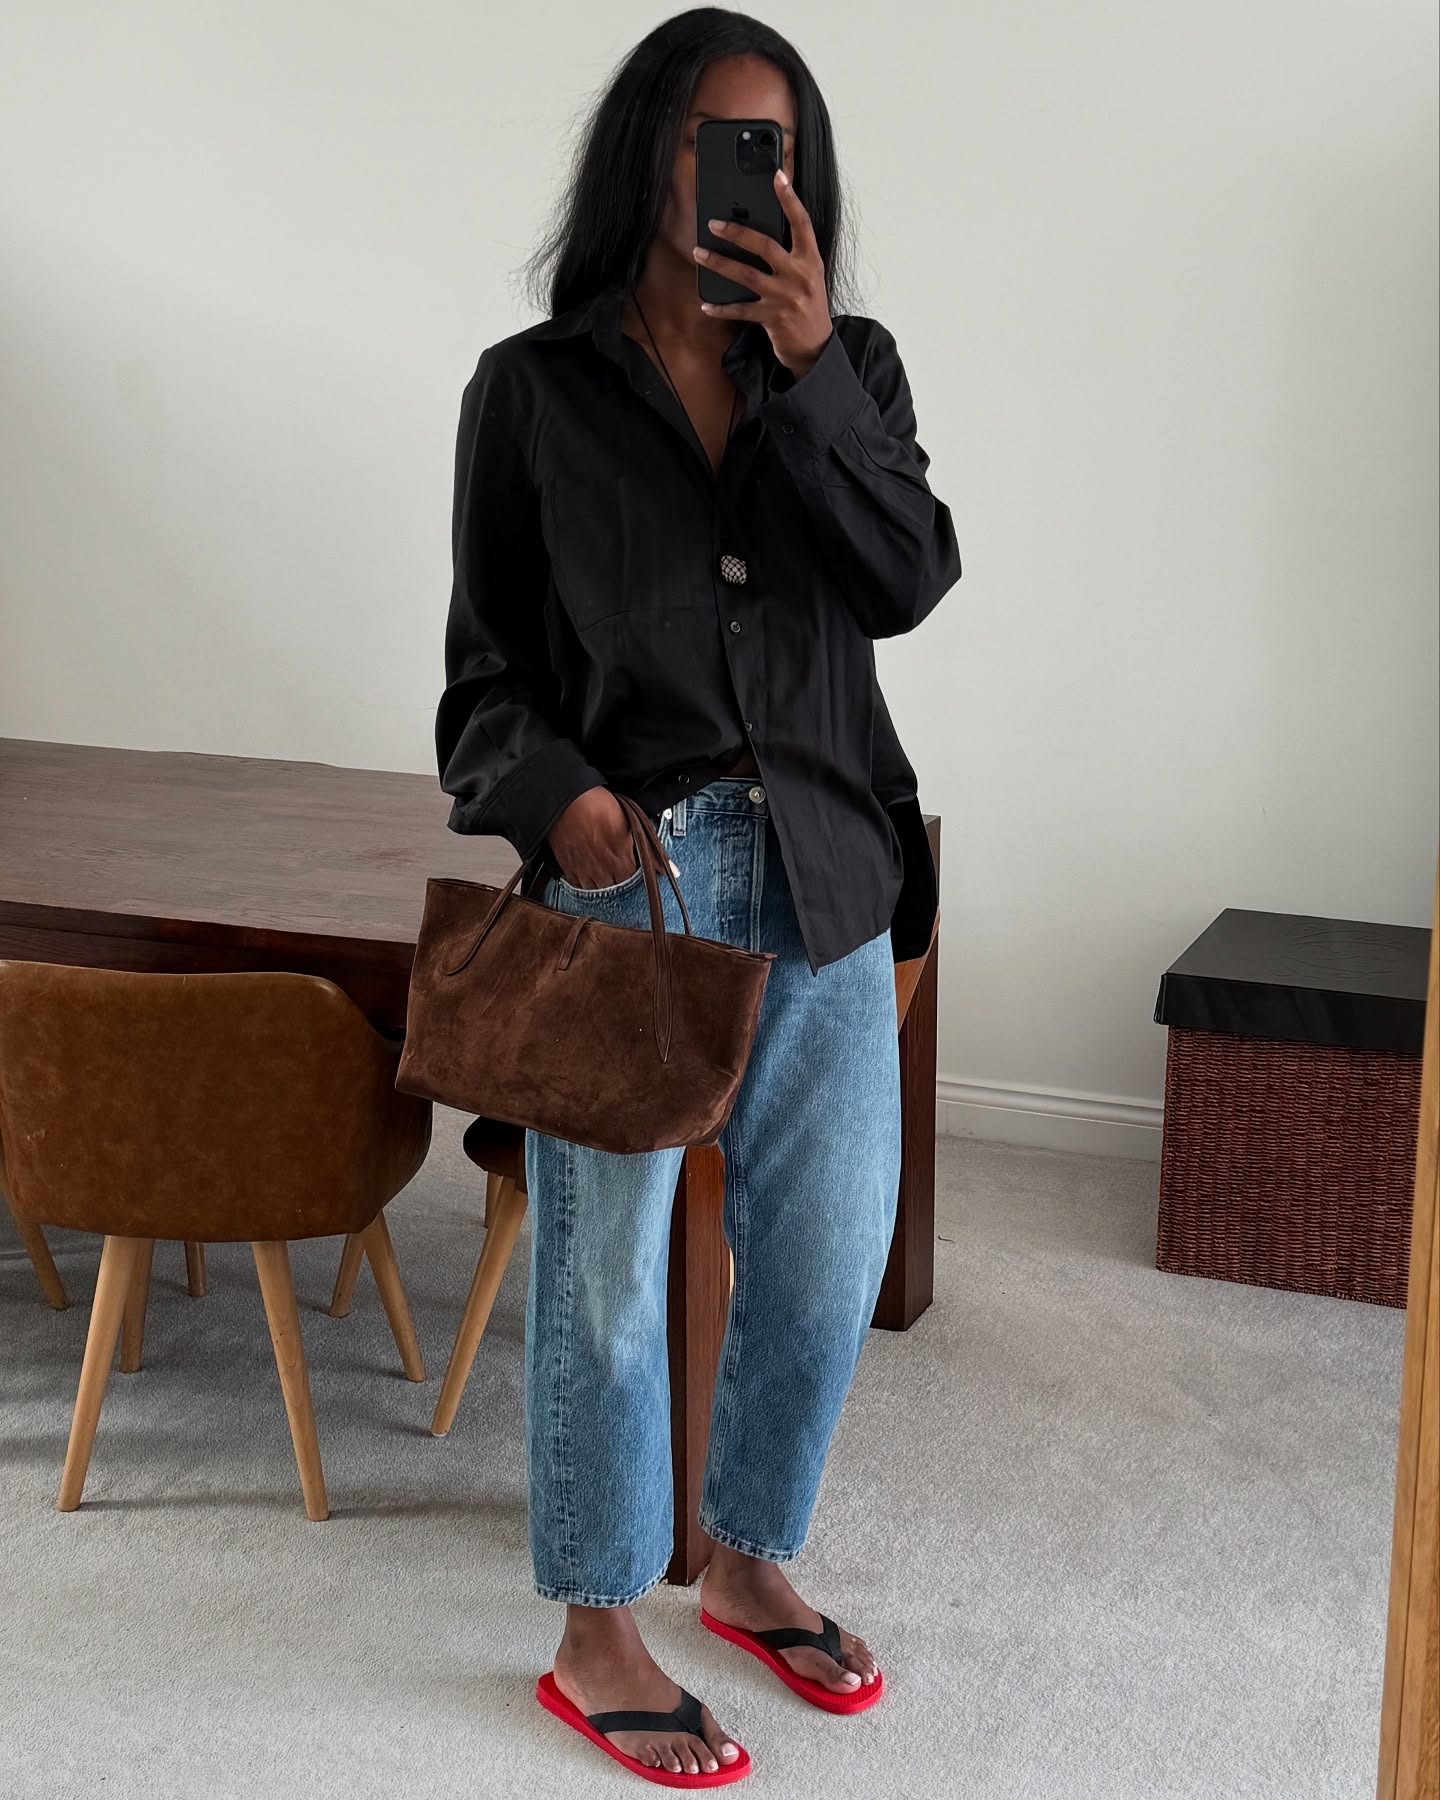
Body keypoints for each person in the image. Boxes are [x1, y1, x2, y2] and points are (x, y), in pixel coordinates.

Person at [435, 8, 961, 1785]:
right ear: (646, 156)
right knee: (602, 1283)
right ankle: (595, 1632)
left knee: (818, 1262)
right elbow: (482, 684)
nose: (754, 176)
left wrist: (809, 376)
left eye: (780, 147)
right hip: (639, 885)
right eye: (718, 141)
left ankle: (744, 1559)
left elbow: (907, 581)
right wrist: (559, 794)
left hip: (829, 868)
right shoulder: (534, 392)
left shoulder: (854, 368)